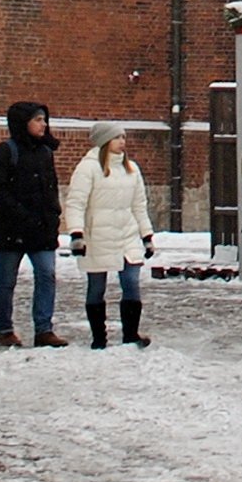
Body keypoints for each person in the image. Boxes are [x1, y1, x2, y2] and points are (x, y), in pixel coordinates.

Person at [0, 100, 67, 349]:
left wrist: (53, 216)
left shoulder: (44, 152)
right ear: (23, 123)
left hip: (41, 229)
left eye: (44, 119)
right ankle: (5, 329)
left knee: (47, 275)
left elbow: (50, 189)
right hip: (12, 230)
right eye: (38, 120)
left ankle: (44, 329)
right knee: (7, 279)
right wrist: (20, 213)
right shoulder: (5, 151)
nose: (43, 124)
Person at [68, 121, 155, 349]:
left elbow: (139, 206)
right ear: (105, 141)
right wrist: (77, 234)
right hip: (98, 235)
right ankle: (99, 338)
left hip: (126, 233)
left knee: (131, 282)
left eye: (124, 137)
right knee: (97, 286)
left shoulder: (131, 169)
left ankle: (130, 334)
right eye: (117, 138)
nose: (122, 142)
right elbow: (76, 203)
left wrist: (147, 236)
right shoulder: (88, 168)